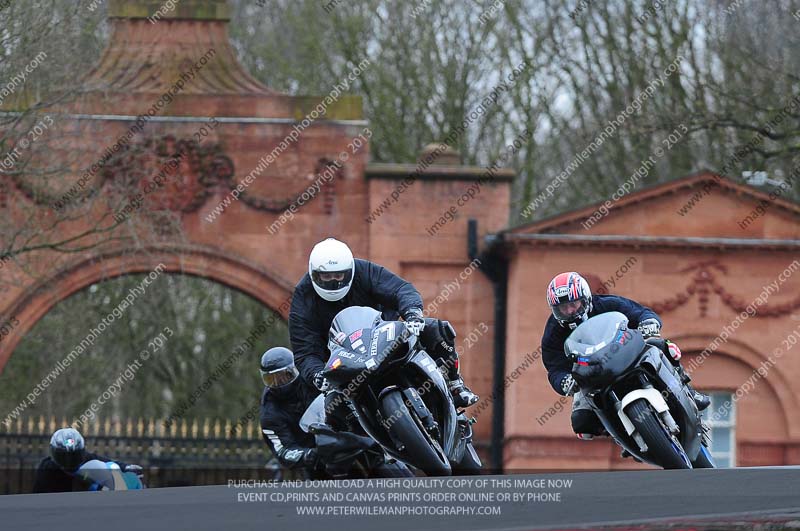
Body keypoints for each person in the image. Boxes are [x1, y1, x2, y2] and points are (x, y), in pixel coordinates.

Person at [289, 237, 478, 412]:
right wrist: (316, 374)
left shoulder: (364, 271)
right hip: (343, 359)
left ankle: (454, 384)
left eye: (338, 276)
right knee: (330, 411)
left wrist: (412, 313)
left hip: (384, 335)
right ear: (314, 274)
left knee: (436, 329)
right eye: (326, 277)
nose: (333, 282)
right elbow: (304, 350)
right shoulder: (303, 297)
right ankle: (364, 443)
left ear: (350, 271)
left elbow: (400, 289)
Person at [541, 271, 710, 440]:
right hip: (590, 375)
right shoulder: (552, 333)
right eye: (563, 308)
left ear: (585, 299)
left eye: (574, 304)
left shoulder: (608, 304)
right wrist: (564, 381)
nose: (570, 310)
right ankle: (621, 436)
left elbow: (641, 312)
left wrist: (648, 323)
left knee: (660, 346)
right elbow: (554, 368)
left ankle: (689, 392)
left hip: (626, 354)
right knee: (582, 424)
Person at [258, 347, 323, 476]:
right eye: (271, 379)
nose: (278, 383)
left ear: (294, 370)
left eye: (284, 376)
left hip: (339, 434)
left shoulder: (310, 379)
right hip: (315, 458)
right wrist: (308, 455)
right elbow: (283, 450)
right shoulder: (269, 412)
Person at [32, 427, 142, 493]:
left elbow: (106, 461)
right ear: (54, 454)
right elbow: (37, 496)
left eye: (73, 456)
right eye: (63, 457)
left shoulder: (86, 459)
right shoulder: (46, 469)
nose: (69, 461)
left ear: (81, 452)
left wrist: (126, 467)